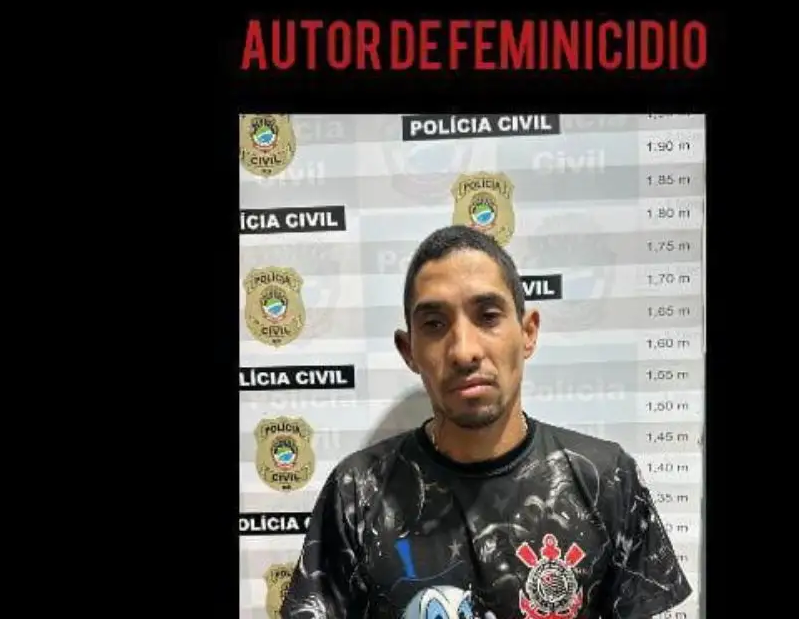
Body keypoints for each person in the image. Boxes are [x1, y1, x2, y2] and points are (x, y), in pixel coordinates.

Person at [279, 225, 693, 619]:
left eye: (488, 316)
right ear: (409, 351)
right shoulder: (358, 493)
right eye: (434, 324)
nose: (464, 351)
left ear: (528, 333)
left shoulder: (607, 479)